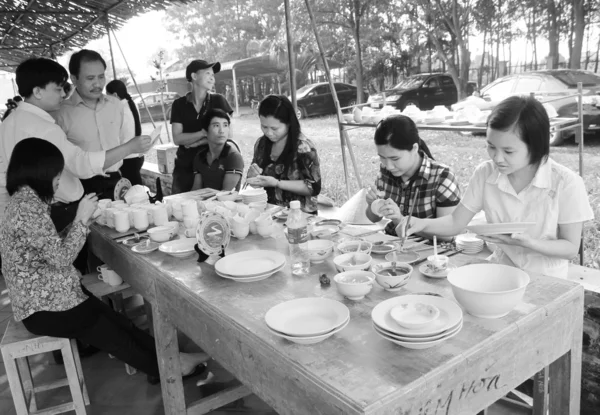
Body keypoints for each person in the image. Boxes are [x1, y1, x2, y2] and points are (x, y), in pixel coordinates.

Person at [0, 138, 210, 385]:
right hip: (45, 309)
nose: (58, 178)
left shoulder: (25, 201)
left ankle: (169, 361)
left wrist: (84, 221)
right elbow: (62, 258)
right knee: (111, 333)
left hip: (52, 300)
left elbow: (51, 248)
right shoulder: (28, 208)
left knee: (117, 323)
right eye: (56, 172)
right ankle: (172, 367)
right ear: (40, 170)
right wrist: (80, 218)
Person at [404, 96, 594, 279]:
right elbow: (456, 222)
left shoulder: (566, 183)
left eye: (508, 151)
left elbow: (570, 248)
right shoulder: (485, 173)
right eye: (491, 147)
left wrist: (530, 243)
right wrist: (421, 223)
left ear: (536, 146)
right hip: (500, 270)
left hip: (548, 278)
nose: (497, 158)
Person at [0, 57, 151, 237]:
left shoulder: (10, 122)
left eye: (101, 77)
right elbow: (81, 163)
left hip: (22, 214)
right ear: (38, 92)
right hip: (56, 212)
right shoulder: (45, 128)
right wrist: (129, 148)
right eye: (57, 89)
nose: (63, 94)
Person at [54, 49, 148, 198]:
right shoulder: (62, 113)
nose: (97, 84)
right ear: (74, 78)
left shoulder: (115, 105)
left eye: (101, 77)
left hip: (116, 182)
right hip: (82, 189)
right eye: (90, 78)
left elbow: (123, 141)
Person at [364, 115, 461, 236]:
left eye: (395, 158)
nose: (388, 166)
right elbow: (373, 218)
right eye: (382, 157)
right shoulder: (386, 171)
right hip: (392, 245)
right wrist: (372, 205)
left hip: (431, 251)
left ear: (414, 148)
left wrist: (399, 220)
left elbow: (448, 235)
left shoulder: (443, 177)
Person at [246, 95, 321, 213]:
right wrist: (252, 176)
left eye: (274, 128)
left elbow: (313, 187)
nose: (268, 133)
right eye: (264, 126)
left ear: (289, 123)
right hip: (269, 213)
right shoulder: (261, 144)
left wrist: (277, 183)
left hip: (300, 216)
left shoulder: (304, 147)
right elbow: (256, 182)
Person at [170, 59, 233, 194]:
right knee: (180, 207)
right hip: (184, 168)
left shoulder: (218, 101)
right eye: (208, 73)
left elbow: (227, 135)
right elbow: (177, 138)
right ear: (194, 76)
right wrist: (204, 133)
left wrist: (194, 143)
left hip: (212, 166)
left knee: (213, 210)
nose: (212, 78)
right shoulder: (179, 105)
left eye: (213, 75)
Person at [191, 109, 243, 191]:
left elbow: (226, 193)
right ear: (205, 131)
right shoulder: (200, 157)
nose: (221, 131)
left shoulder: (233, 157)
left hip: (227, 203)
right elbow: (196, 190)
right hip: (204, 202)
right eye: (216, 126)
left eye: (225, 125)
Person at [106, 79, 145, 185]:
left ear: (114, 95)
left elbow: (114, 137)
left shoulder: (118, 110)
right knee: (136, 188)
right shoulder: (131, 104)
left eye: (107, 96)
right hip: (137, 155)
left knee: (133, 192)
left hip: (127, 157)